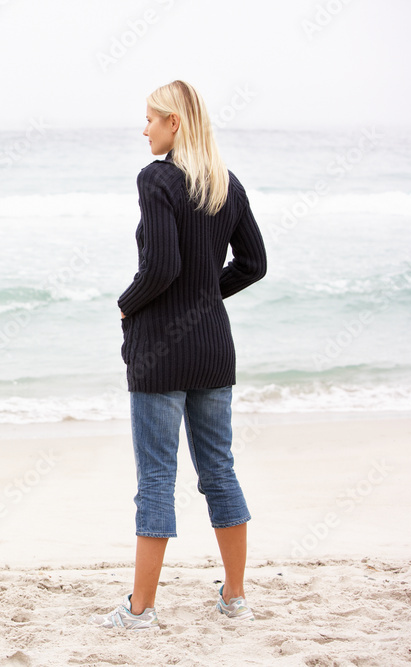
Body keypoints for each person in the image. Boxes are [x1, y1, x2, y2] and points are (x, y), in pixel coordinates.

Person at [91, 80, 267, 630]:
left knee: (157, 479)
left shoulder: (157, 178)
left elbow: (161, 267)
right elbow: (253, 264)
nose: (144, 129)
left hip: (160, 355)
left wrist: (126, 305)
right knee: (219, 471)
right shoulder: (226, 183)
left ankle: (140, 610)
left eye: (150, 119)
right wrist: (207, 294)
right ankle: (234, 597)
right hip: (213, 347)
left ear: (175, 123)